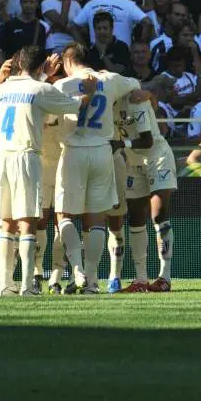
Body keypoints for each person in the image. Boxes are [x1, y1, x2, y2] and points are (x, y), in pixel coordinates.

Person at [0, 46, 92, 297]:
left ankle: (3, 284)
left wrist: (42, 74)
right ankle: (27, 285)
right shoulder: (41, 89)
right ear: (42, 65)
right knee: (27, 222)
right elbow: (75, 105)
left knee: (6, 223)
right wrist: (90, 92)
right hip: (24, 156)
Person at [52, 43, 141, 294]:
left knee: (64, 214)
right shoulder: (109, 79)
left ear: (67, 61)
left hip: (73, 151)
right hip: (102, 150)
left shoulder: (62, 85)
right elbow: (135, 84)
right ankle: (92, 281)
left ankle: (78, 270)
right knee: (96, 218)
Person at [115, 89, 179, 293]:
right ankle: (141, 280)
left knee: (158, 215)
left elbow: (147, 140)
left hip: (157, 157)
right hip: (134, 163)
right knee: (135, 218)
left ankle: (164, 278)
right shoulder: (105, 106)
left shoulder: (135, 100)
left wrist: (120, 144)